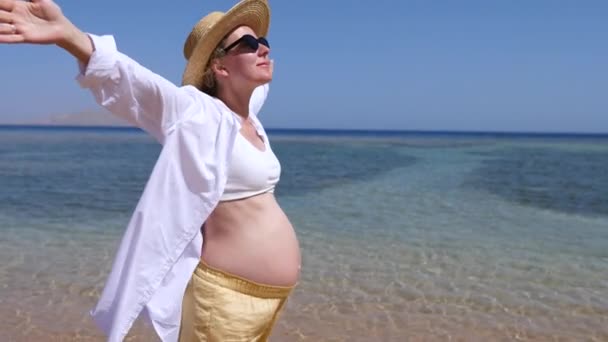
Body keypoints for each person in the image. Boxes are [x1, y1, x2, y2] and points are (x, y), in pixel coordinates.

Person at [0, 0, 301, 341]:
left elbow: (254, 89)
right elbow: (134, 81)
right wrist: (67, 35)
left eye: (264, 43)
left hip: (270, 299)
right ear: (219, 66)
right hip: (226, 300)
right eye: (249, 44)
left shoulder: (249, 118)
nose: (262, 48)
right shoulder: (196, 113)